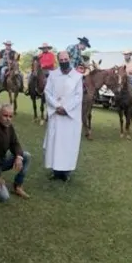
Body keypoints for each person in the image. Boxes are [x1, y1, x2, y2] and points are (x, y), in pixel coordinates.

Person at [43, 51, 84, 182]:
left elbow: (78, 96)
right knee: (55, 143)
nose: (64, 61)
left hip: (70, 117)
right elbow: (47, 92)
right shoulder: (53, 75)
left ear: (70, 59)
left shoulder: (77, 77)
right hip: (56, 114)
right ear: (58, 60)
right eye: (61, 60)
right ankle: (55, 171)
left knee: (68, 144)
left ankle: (66, 172)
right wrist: (56, 106)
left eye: (66, 59)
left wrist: (66, 109)